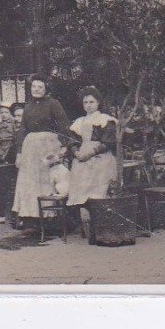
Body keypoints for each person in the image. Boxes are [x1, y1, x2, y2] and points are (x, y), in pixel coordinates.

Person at [11, 74, 71, 226]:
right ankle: (32, 218)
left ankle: (51, 218)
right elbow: (23, 129)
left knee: (47, 180)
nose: (36, 89)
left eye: (40, 87)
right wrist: (19, 152)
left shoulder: (53, 103)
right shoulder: (28, 106)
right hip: (30, 147)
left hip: (48, 145)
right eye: (34, 86)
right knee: (30, 181)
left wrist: (64, 146)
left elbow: (64, 124)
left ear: (46, 89)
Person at [67, 86, 118, 226]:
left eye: (91, 102)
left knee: (99, 188)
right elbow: (72, 140)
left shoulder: (105, 119)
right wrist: (76, 152)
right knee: (83, 189)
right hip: (82, 158)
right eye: (86, 102)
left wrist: (90, 153)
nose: (88, 105)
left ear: (98, 103)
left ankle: (104, 222)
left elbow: (108, 142)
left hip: (100, 157)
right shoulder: (79, 121)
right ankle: (89, 223)